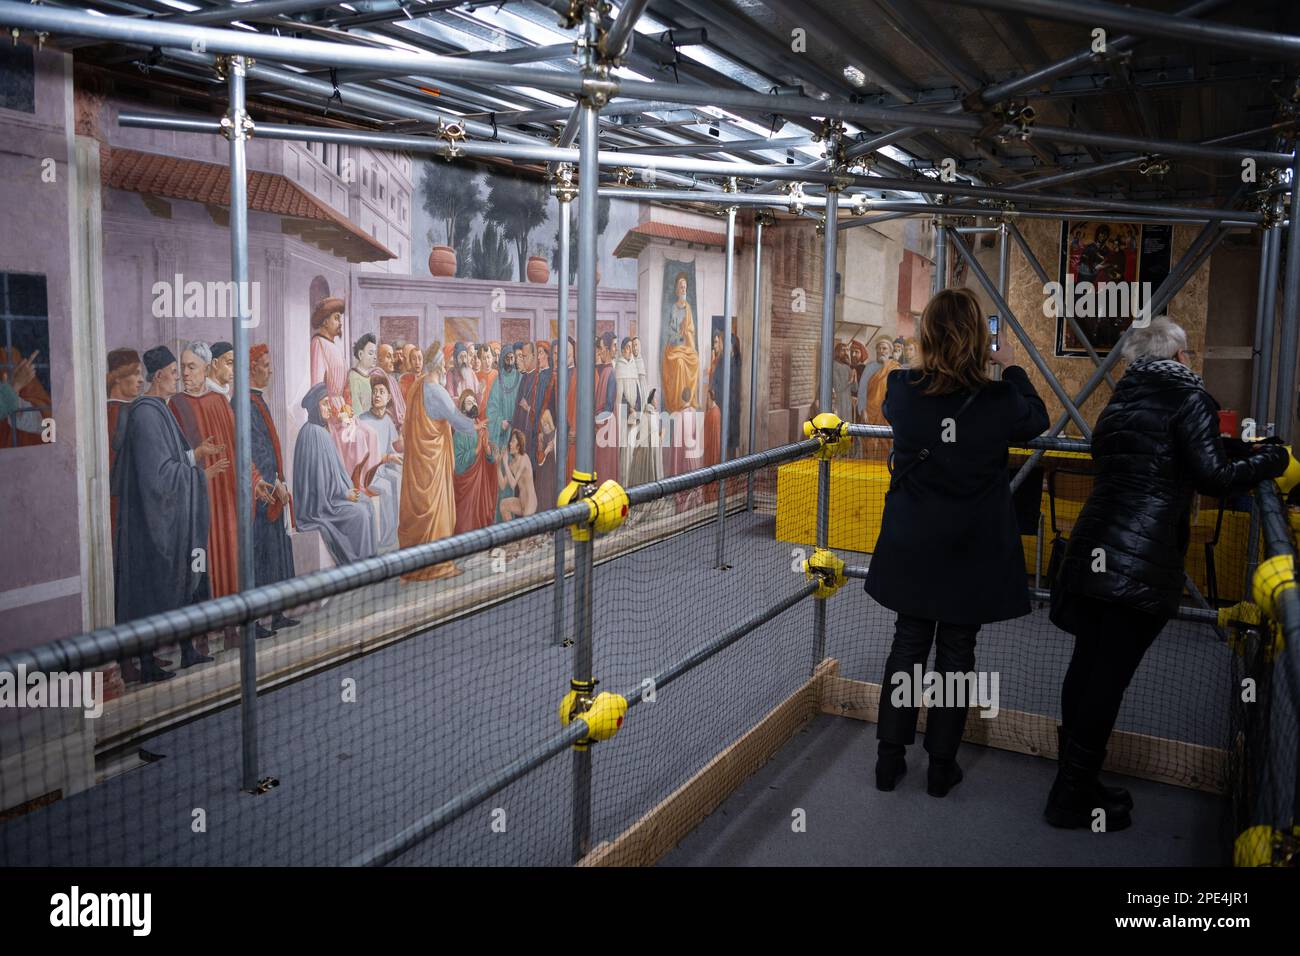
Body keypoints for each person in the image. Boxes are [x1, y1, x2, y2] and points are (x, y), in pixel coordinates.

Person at [1045, 317, 1291, 831]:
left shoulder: (1120, 403)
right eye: (1186, 354)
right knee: (1106, 681)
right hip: (1138, 563)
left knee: (1088, 668)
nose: (1189, 361)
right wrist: (1271, 460)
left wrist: (1238, 450)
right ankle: (1069, 801)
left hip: (1092, 552)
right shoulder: (1189, 398)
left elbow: (1161, 456)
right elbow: (1213, 477)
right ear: (1177, 356)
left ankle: (1079, 784)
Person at [865, 288, 1049, 797]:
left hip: (913, 544)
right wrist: (1009, 366)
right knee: (957, 653)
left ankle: (888, 760)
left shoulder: (901, 389)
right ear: (977, 340)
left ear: (926, 336)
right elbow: (1038, 420)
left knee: (908, 644)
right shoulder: (999, 401)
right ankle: (941, 767)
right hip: (970, 548)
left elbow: (901, 408)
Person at [112, 346, 220, 678]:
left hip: (168, 517)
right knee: (149, 590)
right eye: (175, 372)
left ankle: (186, 652)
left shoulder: (159, 409)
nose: (179, 378)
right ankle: (146, 664)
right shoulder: (146, 414)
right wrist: (199, 475)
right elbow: (157, 477)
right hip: (151, 524)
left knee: (184, 580)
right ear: (158, 376)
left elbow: (170, 460)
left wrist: (196, 458)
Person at [398, 343, 477, 580]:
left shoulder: (416, 387)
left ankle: (413, 565)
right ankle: (437, 567)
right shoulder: (437, 391)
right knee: (438, 511)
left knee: (419, 510)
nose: (447, 366)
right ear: (441, 365)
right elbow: (457, 421)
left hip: (417, 464)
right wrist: (477, 426)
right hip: (432, 465)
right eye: (445, 362)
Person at [292, 383, 374, 567]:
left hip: (331, 497)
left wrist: (346, 490)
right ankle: (359, 566)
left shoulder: (321, 431)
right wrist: (344, 494)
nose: (330, 408)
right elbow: (318, 483)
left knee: (366, 504)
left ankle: (368, 563)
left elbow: (334, 472)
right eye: (325, 404)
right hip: (319, 506)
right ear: (315, 408)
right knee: (359, 513)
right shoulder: (312, 434)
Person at [247, 345, 298, 638]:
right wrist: (272, 481)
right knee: (261, 557)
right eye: (265, 365)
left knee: (276, 554)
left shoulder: (257, 400)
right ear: (252, 367)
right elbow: (256, 449)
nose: (271, 370)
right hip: (261, 493)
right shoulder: (245, 403)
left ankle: (277, 614)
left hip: (272, 488)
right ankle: (256, 622)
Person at [359, 371, 404, 551]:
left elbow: (392, 449)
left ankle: (396, 531)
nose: (377, 395)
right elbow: (361, 456)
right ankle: (387, 538)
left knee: (399, 478)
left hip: (383, 469)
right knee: (386, 488)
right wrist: (388, 458)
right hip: (367, 474)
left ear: (389, 397)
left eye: (381, 392)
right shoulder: (362, 420)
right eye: (374, 391)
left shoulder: (387, 420)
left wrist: (400, 457)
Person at [497, 427, 537, 520]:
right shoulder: (512, 463)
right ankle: (511, 532)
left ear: (519, 446)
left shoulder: (524, 458)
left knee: (526, 534)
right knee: (503, 505)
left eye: (513, 441)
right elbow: (502, 485)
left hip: (530, 504)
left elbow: (513, 484)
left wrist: (505, 464)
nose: (510, 444)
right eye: (510, 441)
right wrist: (498, 466)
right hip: (521, 502)